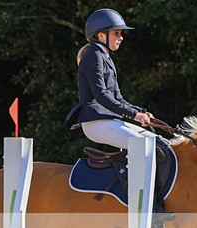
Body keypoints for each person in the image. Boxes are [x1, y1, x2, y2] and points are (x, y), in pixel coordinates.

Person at [64, 8, 156, 151]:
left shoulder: (105, 57)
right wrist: (134, 115)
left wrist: (140, 111)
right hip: (95, 121)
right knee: (142, 146)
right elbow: (101, 95)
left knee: (155, 140)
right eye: (116, 33)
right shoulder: (93, 55)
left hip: (108, 119)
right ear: (101, 36)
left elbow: (118, 98)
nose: (121, 37)